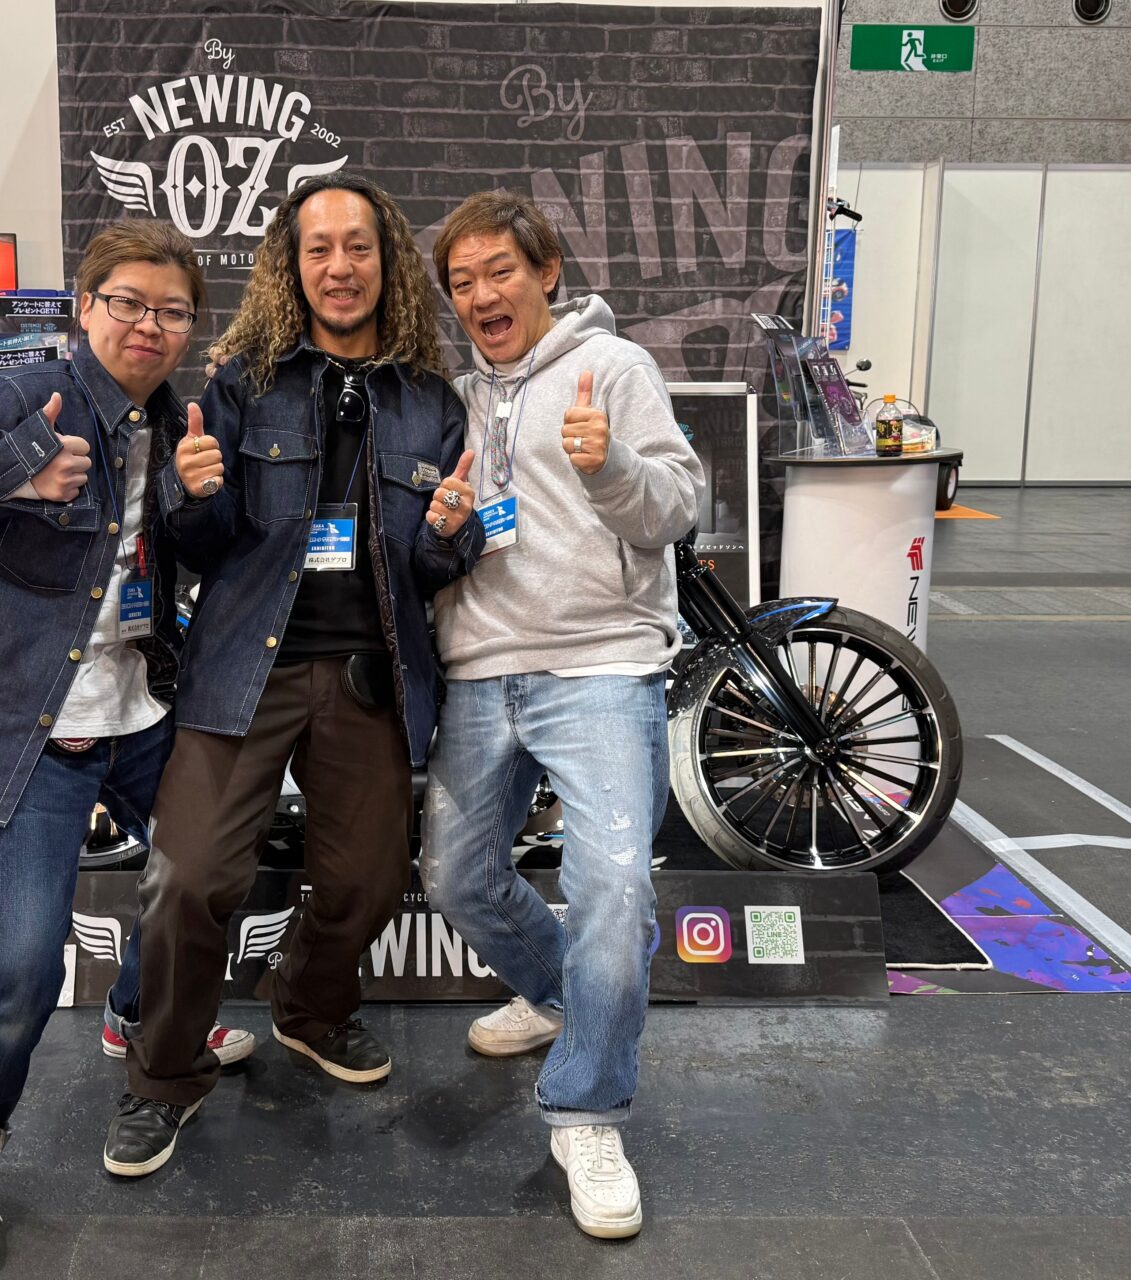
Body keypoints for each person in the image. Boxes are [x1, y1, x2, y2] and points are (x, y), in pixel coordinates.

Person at [0, 218, 246, 1268]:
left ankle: (139, 1015)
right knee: (20, 958)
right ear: (85, 308)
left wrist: (201, 502)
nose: (149, 326)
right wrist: (14, 467)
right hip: (25, 724)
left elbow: (182, 562)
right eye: (128, 303)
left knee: (209, 874)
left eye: (172, 312)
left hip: (141, 708)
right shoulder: (11, 400)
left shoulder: (177, 421)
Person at [104, 173, 483, 1177]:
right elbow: (199, 540)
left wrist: (453, 533)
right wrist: (190, 497)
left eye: (358, 246)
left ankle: (309, 1004)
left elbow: (433, 566)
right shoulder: (241, 384)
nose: (339, 266)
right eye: (319, 248)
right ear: (292, 264)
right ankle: (164, 1075)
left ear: (386, 261)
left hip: (370, 678)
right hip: (245, 669)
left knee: (368, 881)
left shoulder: (432, 403)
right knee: (188, 878)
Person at [420, 189, 703, 1240]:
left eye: (500, 270)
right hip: (480, 668)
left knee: (615, 889)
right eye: (462, 281)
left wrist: (608, 464)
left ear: (545, 272)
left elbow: (677, 506)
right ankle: (553, 993)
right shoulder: (453, 396)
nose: (481, 294)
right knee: (457, 878)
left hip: (601, 664)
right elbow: (440, 541)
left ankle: (587, 1110)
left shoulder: (613, 368)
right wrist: (441, 526)